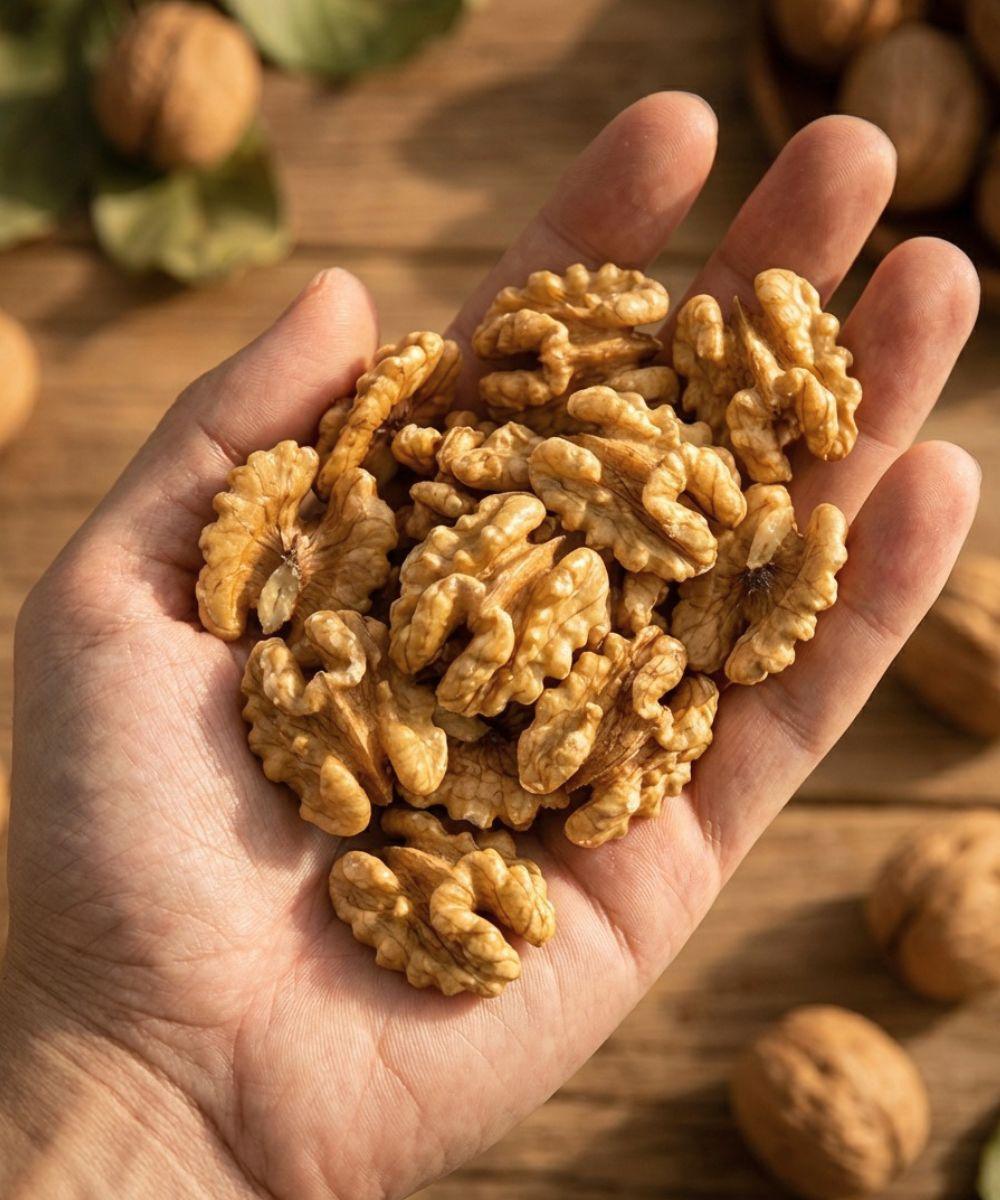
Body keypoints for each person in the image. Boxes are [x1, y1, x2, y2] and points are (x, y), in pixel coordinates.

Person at [0, 94, 981, 1198]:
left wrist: (148, 1100)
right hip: (489, 651)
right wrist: (144, 1071)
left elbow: (615, 616)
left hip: (570, 638)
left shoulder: (623, 572)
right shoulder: (416, 590)